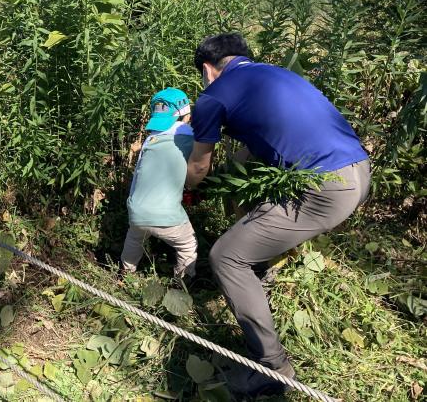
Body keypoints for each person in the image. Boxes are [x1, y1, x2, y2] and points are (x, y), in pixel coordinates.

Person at [185, 33, 370, 397]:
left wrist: (183, 194)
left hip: (325, 189)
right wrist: (229, 180)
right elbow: (258, 147)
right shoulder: (277, 74)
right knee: (249, 212)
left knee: (226, 257)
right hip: (358, 170)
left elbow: (197, 167)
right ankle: (261, 277)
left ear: (208, 69)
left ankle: (272, 369)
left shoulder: (212, 97)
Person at [121, 88, 198, 281]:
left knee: (135, 238)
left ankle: (125, 275)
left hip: (136, 210)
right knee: (187, 244)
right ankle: (183, 281)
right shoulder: (190, 138)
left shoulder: (150, 140)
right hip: (167, 215)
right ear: (186, 113)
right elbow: (198, 168)